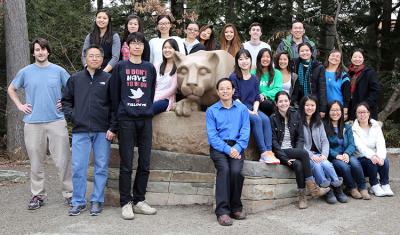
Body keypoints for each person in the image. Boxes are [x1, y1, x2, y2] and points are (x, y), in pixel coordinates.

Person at [7, 38, 73, 210]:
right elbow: (11, 89)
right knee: (36, 162)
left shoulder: (58, 71)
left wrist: (66, 102)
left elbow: (73, 88)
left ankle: (70, 194)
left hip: (57, 121)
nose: (40, 52)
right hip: (33, 123)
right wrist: (20, 105)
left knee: (63, 161)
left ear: (48, 51)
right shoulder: (26, 72)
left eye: (43, 49)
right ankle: (38, 195)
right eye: (37, 49)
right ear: (33, 52)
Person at [62, 45, 116, 216]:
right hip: (81, 131)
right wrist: (74, 117)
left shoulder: (108, 79)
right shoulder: (75, 79)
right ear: (85, 58)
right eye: (91, 56)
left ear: (102, 59)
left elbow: (115, 106)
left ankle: (97, 200)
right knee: (78, 167)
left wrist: (112, 127)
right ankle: (78, 202)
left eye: (98, 56)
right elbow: (66, 102)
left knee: (101, 167)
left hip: (103, 131)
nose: (94, 58)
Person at [110, 32, 157, 220]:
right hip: (126, 120)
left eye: (140, 43)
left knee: (145, 163)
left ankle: (139, 200)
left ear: (144, 47)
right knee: (127, 163)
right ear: (127, 47)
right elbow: (114, 97)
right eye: (133, 43)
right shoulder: (121, 67)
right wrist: (115, 123)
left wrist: (145, 109)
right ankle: (125, 202)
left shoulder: (150, 68)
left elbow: (151, 94)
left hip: (145, 119)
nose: (137, 46)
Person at [270, 91, 330, 209]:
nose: (283, 103)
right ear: (276, 103)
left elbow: (300, 137)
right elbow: (273, 143)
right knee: (303, 153)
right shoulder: (272, 118)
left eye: (286, 101)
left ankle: (302, 198)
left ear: (290, 102)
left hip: (294, 151)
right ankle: (313, 189)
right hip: (280, 152)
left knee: (298, 165)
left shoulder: (295, 114)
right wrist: (285, 158)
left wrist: (296, 154)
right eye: (280, 101)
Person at [206, 78, 250, 226]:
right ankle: (223, 212)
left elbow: (245, 132)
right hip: (219, 148)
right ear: (218, 92)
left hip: (237, 147)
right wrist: (228, 150)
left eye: (228, 88)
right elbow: (212, 137)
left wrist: (236, 148)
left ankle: (236, 207)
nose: (225, 91)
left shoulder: (242, 109)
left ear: (233, 90)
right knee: (224, 170)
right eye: (222, 89)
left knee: (236, 171)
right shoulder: (212, 110)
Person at [229, 49, 279, 164]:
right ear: (237, 62)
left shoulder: (254, 78)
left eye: (246, 58)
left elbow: (256, 97)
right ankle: (263, 152)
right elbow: (235, 98)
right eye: (240, 59)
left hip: (252, 107)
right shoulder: (234, 77)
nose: (244, 61)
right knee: (256, 119)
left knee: (266, 119)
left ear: (250, 60)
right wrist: (249, 112)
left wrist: (255, 109)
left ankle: (269, 152)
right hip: (239, 108)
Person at [299, 96, 347, 204]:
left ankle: (337, 188)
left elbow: (325, 141)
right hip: (307, 155)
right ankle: (327, 191)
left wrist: (324, 154)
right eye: (307, 105)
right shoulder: (298, 122)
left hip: (320, 154)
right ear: (303, 106)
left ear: (316, 107)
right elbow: (299, 143)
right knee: (316, 166)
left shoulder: (318, 122)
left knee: (326, 164)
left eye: (312, 105)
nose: (310, 108)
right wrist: (311, 155)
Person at [325, 101, 370, 200]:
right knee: (344, 166)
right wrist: (336, 155)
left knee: (355, 163)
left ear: (341, 111)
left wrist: (346, 153)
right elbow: (324, 146)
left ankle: (363, 188)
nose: (335, 112)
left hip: (346, 154)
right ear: (328, 111)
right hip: (334, 157)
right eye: (332, 110)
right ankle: (352, 188)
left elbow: (352, 144)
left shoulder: (347, 127)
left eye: (337, 110)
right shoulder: (324, 127)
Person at [352, 102, 394, 197]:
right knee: (370, 161)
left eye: (364, 112)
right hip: (361, 157)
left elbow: (381, 143)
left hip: (376, 156)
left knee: (385, 161)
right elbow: (360, 146)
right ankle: (374, 185)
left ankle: (385, 184)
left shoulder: (376, 126)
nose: (362, 115)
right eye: (359, 112)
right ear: (356, 114)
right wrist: (373, 156)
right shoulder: (353, 128)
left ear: (368, 113)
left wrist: (380, 157)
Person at [292, 42, 327, 117]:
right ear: (298, 53)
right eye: (302, 51)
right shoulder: (294, 64)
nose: (305, 53)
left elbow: (322, 88)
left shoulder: (319, 67)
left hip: (313, 103)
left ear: (311, 52)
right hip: (297, 103)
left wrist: (322, 108)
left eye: (307, 50)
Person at [347, 49, 381, 120]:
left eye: (360, 57)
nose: (357, 59)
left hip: (366, 109)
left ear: (363, 59)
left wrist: (366, 104)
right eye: (355, 57)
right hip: (352, 109)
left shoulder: (369, 73)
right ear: (351, 58)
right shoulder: (349, 73)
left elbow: (376, 91)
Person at [253, 48, 283, 116]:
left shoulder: (277, 73)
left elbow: (278, 89)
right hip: (257, 102)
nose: (265, 59)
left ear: (271, 59)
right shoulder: (253, 73)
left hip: (272, 103)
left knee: (267, 104)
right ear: (259, 59)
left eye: (268, 57)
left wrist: (264, 94)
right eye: (263, 57)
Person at [153, 39, 179, 114]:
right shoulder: (157, 66)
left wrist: (155, 98)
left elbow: (173, 89)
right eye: (165, 47)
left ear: (175, 50)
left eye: (170, 48)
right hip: (152, 98)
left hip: (166, 100)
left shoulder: (178, 67)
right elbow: (152, 85)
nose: (167, 50)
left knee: (149, 109)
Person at [324, 49, 350, 120]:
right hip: (323, 109)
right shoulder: (321, 72)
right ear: (328, 57)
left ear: (340, 60)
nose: (334, 58)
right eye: (333, 55)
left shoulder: (344, 75)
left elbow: (347, 95)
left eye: (337, 56)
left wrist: (345, 111)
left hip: (337, 110)